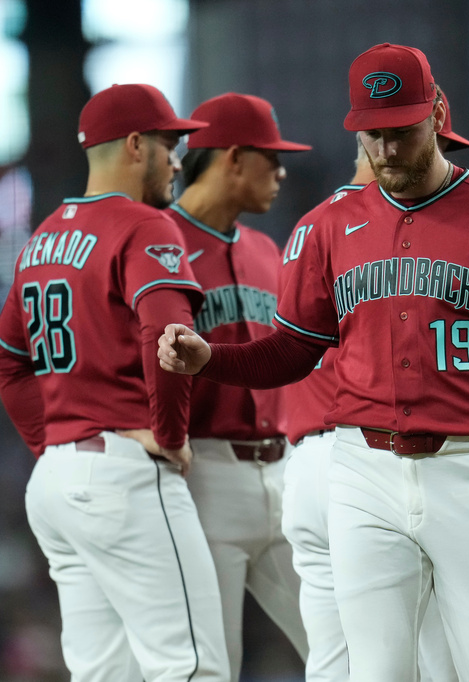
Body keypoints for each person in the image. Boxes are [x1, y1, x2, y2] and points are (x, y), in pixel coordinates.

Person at [158, 42, 469, 682]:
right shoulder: (325, 227)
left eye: (402, 131)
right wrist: (212, 359)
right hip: (361, 470)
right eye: (374, 136)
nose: (389, 150)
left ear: (437, 113)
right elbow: (291, 351)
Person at [0, 83, 230, 681]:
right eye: (169, 143)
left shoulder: (40, 240)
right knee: (191, 668)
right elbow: (168, 339)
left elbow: (5, 358)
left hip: (57, 484)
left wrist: (54, 447)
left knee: (103, 674)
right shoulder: (145, 226)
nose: (177, 159)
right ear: (133, 145)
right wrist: (169, 431)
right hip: (124, 474)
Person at [278, 85, 469, 682]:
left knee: (336, 665)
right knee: (437, 659)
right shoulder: (381, 233)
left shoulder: (311, 228)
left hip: (303, 471)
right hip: (363, 464)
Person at [162, 92, 311, 681]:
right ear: (229, 157)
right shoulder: (158, 241)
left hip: (284, 471)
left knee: (350, 648)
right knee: (209, 667)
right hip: (203, 475)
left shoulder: (266, 250)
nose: (280, 170)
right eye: (268, 157)